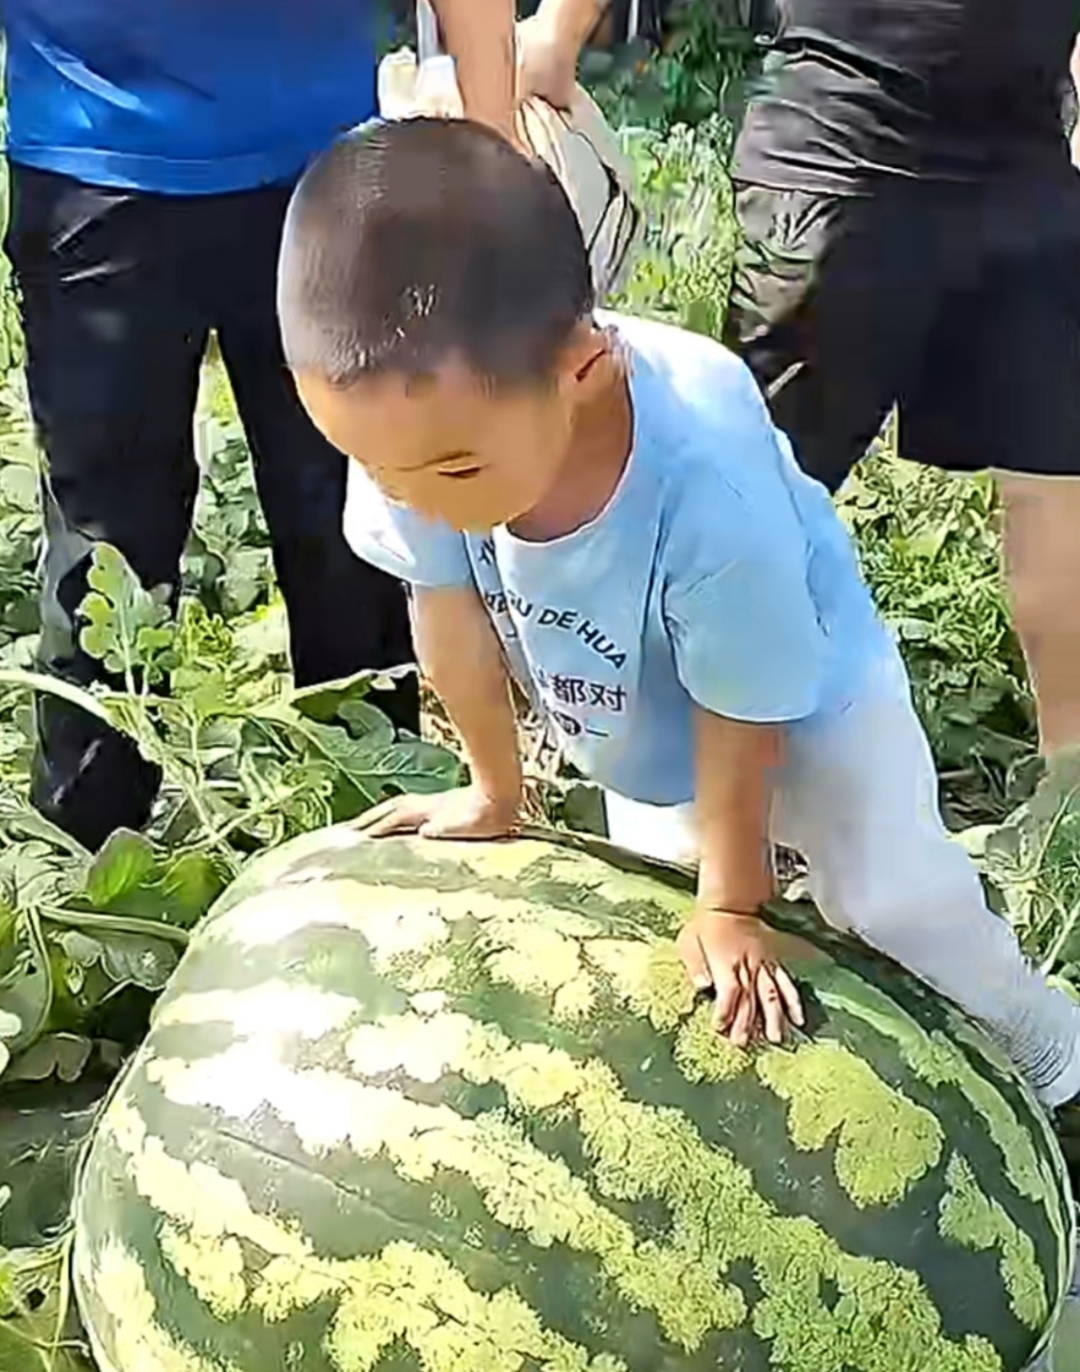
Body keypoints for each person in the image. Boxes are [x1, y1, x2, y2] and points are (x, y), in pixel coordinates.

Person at [275, 116, 1080, 1133]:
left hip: (807, 698)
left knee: (895, 904)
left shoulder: (706, 474)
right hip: (640, 729)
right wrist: (493, 788)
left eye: (449, 476)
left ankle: (1044, 1048)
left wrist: (736, 892)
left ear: (583, 368)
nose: (413, 499)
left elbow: (745, 707)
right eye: (382, 471)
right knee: (672, 959)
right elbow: (444, 606)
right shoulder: (420, 435)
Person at [0, 0, 518, 852]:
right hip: (89, 155)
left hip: (328, 165)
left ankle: (379, 887)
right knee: (104, 570)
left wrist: (496, 147)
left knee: (357, 542)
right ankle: (93, 910)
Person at [518, 0, 1080, 771]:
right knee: (753, 482)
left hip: (1026, 170)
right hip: (836, 154)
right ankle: (665, 757)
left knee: (1057, 476)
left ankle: (1067, 787)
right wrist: (559, 27)